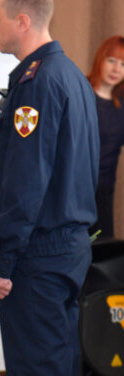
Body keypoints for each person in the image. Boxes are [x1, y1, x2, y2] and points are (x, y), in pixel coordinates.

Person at [0, 0, 99, 376]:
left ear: (22, 21)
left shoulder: (38, 82)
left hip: (39, 253)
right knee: (57, 374)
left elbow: (26, 182)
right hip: (68, 246)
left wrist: (4, 263)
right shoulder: (71, 75)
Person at [87, 36, 124, 239]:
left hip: (104, 194)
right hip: (73, 191)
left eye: (123, 64)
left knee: (102, 251)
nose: (116, 69)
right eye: (111, 60)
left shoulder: (122, 104)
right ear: (100, 59)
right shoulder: (81, 93)